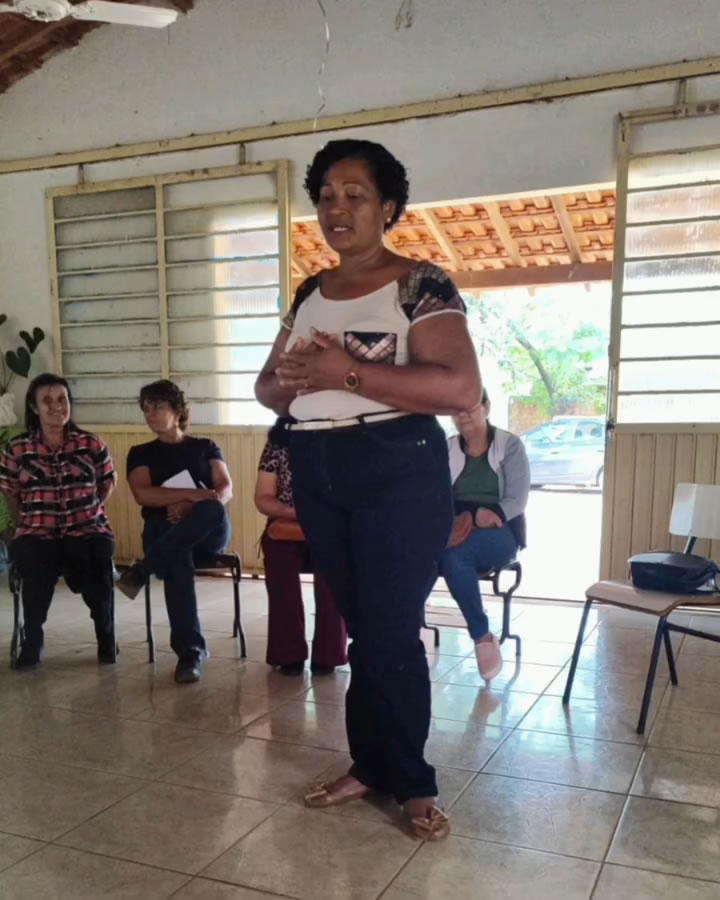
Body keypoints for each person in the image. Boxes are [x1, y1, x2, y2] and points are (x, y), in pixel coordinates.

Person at [255, 139, 482, 840]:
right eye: (326, 196)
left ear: (388, 207)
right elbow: (267, 389)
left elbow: (459, 387)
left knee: (388, 630)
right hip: (318, 465)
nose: (337, 208)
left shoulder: (421, 284)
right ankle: (369, 764)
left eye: (355, 195)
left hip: (396, 466)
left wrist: (344, 373)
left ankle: (412, 782)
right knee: (362, 628)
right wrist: (291, 381)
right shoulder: (309, 292)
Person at [117, 380, 233, 684]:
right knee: (176, 551)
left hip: (207, 532)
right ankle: (190, 652)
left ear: (178, 410)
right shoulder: (140, 453)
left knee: (213, 509)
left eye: (157, 407)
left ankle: (144, 569)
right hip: (164, 531)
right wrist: (192, 497)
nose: (150, 414)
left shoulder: (205, 447)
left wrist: (191, 509)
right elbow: (143, 494)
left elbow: (224, 489)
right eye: (145, 409)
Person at [0, 373, 117, 668]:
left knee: (95, 562)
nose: (56, 407)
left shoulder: (91, 444)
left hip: (87, 529)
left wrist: (90, 510)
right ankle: (32, 639)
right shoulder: (17, 449)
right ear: (34, 407)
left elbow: (107, 482)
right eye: (47, 401)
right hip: (38, 531)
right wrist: (24, 522)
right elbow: (10, 491)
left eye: (62, 399)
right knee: (34, 561)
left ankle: (105, 633)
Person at [441, 390, 530, 682]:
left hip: (501, 531)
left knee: (454, 556)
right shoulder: (447, 448)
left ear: (487, 408)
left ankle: (481, 636)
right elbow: (436, 499)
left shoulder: (509, 445)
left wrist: (488, 514)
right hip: (457, 526)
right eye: (456, 410)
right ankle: (405, 632)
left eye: (470, 407)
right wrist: (471, 513)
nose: (462, 415)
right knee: (421, 553)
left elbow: (517, 501)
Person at [255, 417, 347, 675]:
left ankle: (328, 655)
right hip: (288, 523)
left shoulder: (342, 437)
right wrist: (296, 512)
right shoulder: (278, 442)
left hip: (329, 525)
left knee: (332, 574)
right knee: (280, 566)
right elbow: (262, 498)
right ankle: (289, 654)